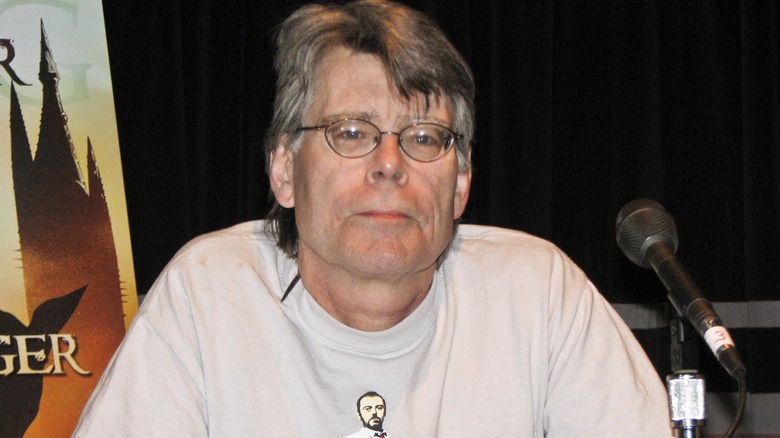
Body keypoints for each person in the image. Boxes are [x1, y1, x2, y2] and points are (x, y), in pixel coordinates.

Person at [73, 0, 671, 436]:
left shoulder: (538, 293)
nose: (390, 164)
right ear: (284, 168)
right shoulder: (208, 294)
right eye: (352, 132)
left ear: (460, 183)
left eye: (423, 137)